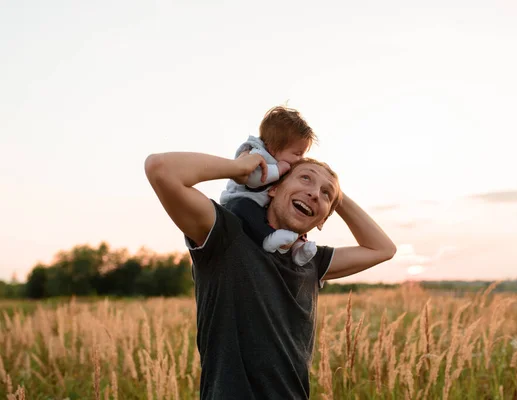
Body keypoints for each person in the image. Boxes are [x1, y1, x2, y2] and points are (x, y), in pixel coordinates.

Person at [144, 149, 396, 399]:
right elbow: (160, 168)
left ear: (322, 221)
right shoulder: (226, 235)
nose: (314, 193)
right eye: (305, 178)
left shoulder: (310, 261)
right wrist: (240, 168)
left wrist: (337, 194)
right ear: (272, 189)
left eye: (325, 194)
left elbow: (383, 249)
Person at [220, 105, 319, 266]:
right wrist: (277, 170)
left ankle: (298, 248)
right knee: (244, 207)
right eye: (297, 153)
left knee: (293, 214)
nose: (300, 159)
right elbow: (252, 179)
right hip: (240, 202)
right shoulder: (256, 153)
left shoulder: (285, 162)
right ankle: (267, 237)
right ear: (273, 148)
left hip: (264, 207)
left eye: (303, 154)